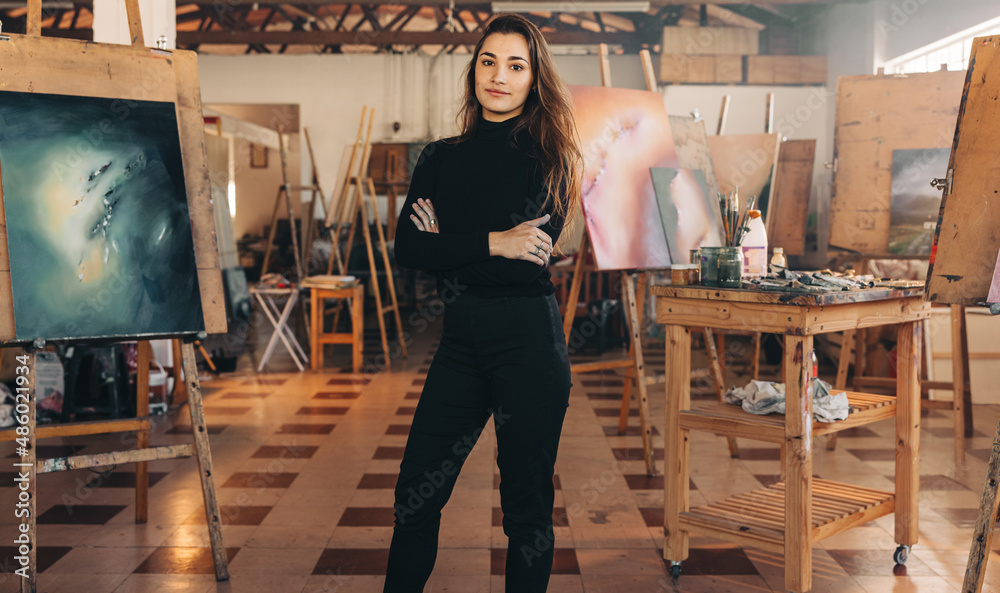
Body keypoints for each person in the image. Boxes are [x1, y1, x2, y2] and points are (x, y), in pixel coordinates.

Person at [384, 13, 582, 593]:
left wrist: (446, 244)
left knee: (525, 513)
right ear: (474, 70)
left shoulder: (547, 159)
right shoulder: (439, 157)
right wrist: (495, 240)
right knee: (413, 497)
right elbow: (408, 248)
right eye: (489, 62)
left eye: (515, 65)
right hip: (460, 346)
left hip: (529, 347)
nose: (499, 76)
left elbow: (529, 258)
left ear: (533, 79)